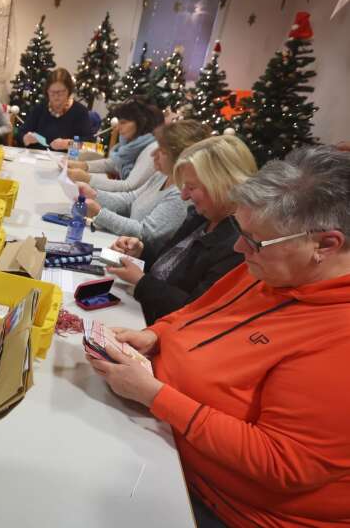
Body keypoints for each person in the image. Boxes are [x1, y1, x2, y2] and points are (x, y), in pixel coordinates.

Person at [87, 146, 350, 528]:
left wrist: (154, 395)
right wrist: (156, 335)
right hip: (163, 444)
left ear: (325, 245)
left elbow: (282, 464)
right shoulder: (269, 268)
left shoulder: (337, 339)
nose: (239, 248)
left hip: (223, 507)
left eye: (255, 240)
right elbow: (197, 313)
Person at [105, 135, 258, 324]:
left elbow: (197, 310)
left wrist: (142, 282)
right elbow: (168, 265)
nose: (184, 196)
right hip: (141, 311)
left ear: (223, 185)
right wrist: (140, 251)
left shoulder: (238, 245)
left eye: (192, 187)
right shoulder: (202, 216)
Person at [77, 120, 209, 250]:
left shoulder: (181, 195)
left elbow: (146, 233)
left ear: (180, 158)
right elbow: (131, 199)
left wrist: (99, 213)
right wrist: (94, 194)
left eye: (162, 151)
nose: (153, 154)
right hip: (123, 245)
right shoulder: (163, 175)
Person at [68, 97, 165, 191]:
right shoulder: (131, 144)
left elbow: (129, 186)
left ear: (142, 123)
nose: (118, 128)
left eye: (123, 123)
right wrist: (83, 165)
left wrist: (87, 178)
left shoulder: (152, 149)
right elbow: (114, 163)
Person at [20, 67, 93, 150]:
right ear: (47, 91)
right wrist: (26, 138)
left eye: (61, 92)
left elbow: (90, 145)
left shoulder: (80, 112)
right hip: (38, 158)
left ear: (69, 91)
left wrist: (68, 144)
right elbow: (21, 133)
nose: (56, 96)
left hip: (66, 160)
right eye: (52, 92)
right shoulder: (40, 108)